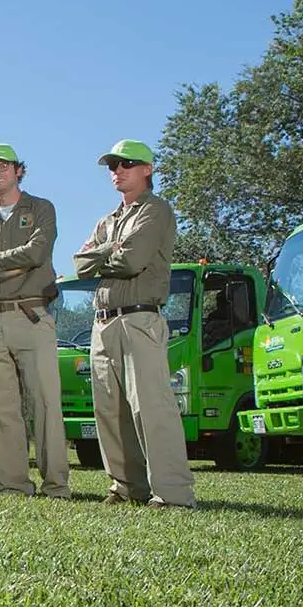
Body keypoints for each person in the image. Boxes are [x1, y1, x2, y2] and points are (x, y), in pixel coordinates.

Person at [73, 139, 197, 509]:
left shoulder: (155, 210)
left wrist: (105, 255)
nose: (117, 171)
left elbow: (132, 262)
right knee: (109, 410)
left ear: (147, 169)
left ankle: (173, 494)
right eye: (112, 166)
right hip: (103, 323)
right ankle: (127, 487)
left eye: (126, 163)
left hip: (140, 318)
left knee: (150, 407)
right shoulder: (108, 220)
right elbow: (80, 264)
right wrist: (112, 251)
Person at [0, 144, 70, 498]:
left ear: (18, 170)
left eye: (2, 166)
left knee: (46, 403)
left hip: (32, 315)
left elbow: (38, 253)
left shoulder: (41, 209)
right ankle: (14, 485)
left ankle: (56, 486)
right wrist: (12, 266)